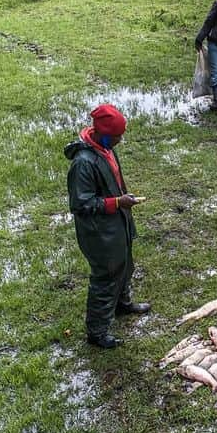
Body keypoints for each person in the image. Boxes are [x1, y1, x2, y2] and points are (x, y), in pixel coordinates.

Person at [64, 104, 151, 349]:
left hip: (117, 223)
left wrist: (122, 200)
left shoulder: (105, 149)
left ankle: (122, 304)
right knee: (105, 277)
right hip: (99, 232)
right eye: (117, 136)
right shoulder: (83, 163)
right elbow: (80, 204)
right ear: (103, 134)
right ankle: (97, 332)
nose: (120, 140)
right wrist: (117, 202)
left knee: (126, 265)